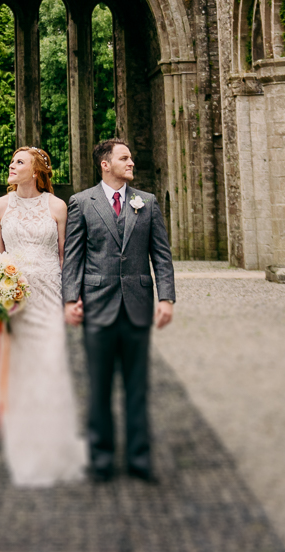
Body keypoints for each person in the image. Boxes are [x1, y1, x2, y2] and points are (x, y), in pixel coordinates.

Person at [61, 137, 175, 482]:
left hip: (138, 306)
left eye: (131, 159)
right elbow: (74, 258)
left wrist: (166, 298)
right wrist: (70, 300)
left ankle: (140, 460)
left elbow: (162, 255)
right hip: (98, 307)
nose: (132, 163)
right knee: (99, 388)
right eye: (124, 158)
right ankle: (101, 461)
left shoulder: (148, 203)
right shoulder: (82, 202)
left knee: (137, 388)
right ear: (105, 164)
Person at [0, 146, 87, 487]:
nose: (12, 166)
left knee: (50, 369)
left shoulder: (57, 206)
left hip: (48, 297)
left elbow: (66, 257)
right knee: (20, 375)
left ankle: (55, 449)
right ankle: (24, 451)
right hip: (16, 301)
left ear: (36, 170)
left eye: (19, 162)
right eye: (12, 160)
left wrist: (72, 299)